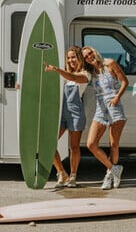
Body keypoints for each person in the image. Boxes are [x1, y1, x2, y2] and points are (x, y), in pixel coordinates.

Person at [81, 46, 128, 190]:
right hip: (100, 109)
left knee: (113, 144)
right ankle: (114, 169)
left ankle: (109, 175)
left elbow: (125, 81)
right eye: (86, 56)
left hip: (114, 106)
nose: (89, 56)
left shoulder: (110, 63)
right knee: (91, 144)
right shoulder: (91, 72)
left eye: (90, 53)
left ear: (95, 51)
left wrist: (117, 98)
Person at [44, 46, 90, 188]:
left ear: (80, 58)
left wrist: (56, 69)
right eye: (68, 58)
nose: (70, 60)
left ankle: (73, 176)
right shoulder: (65, 76)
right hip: (62, 113)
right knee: (48, 143)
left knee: (74, 147)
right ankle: (61, 173)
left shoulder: (85, 74)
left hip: (76, 113)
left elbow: (73, 77)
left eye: (73, 57)